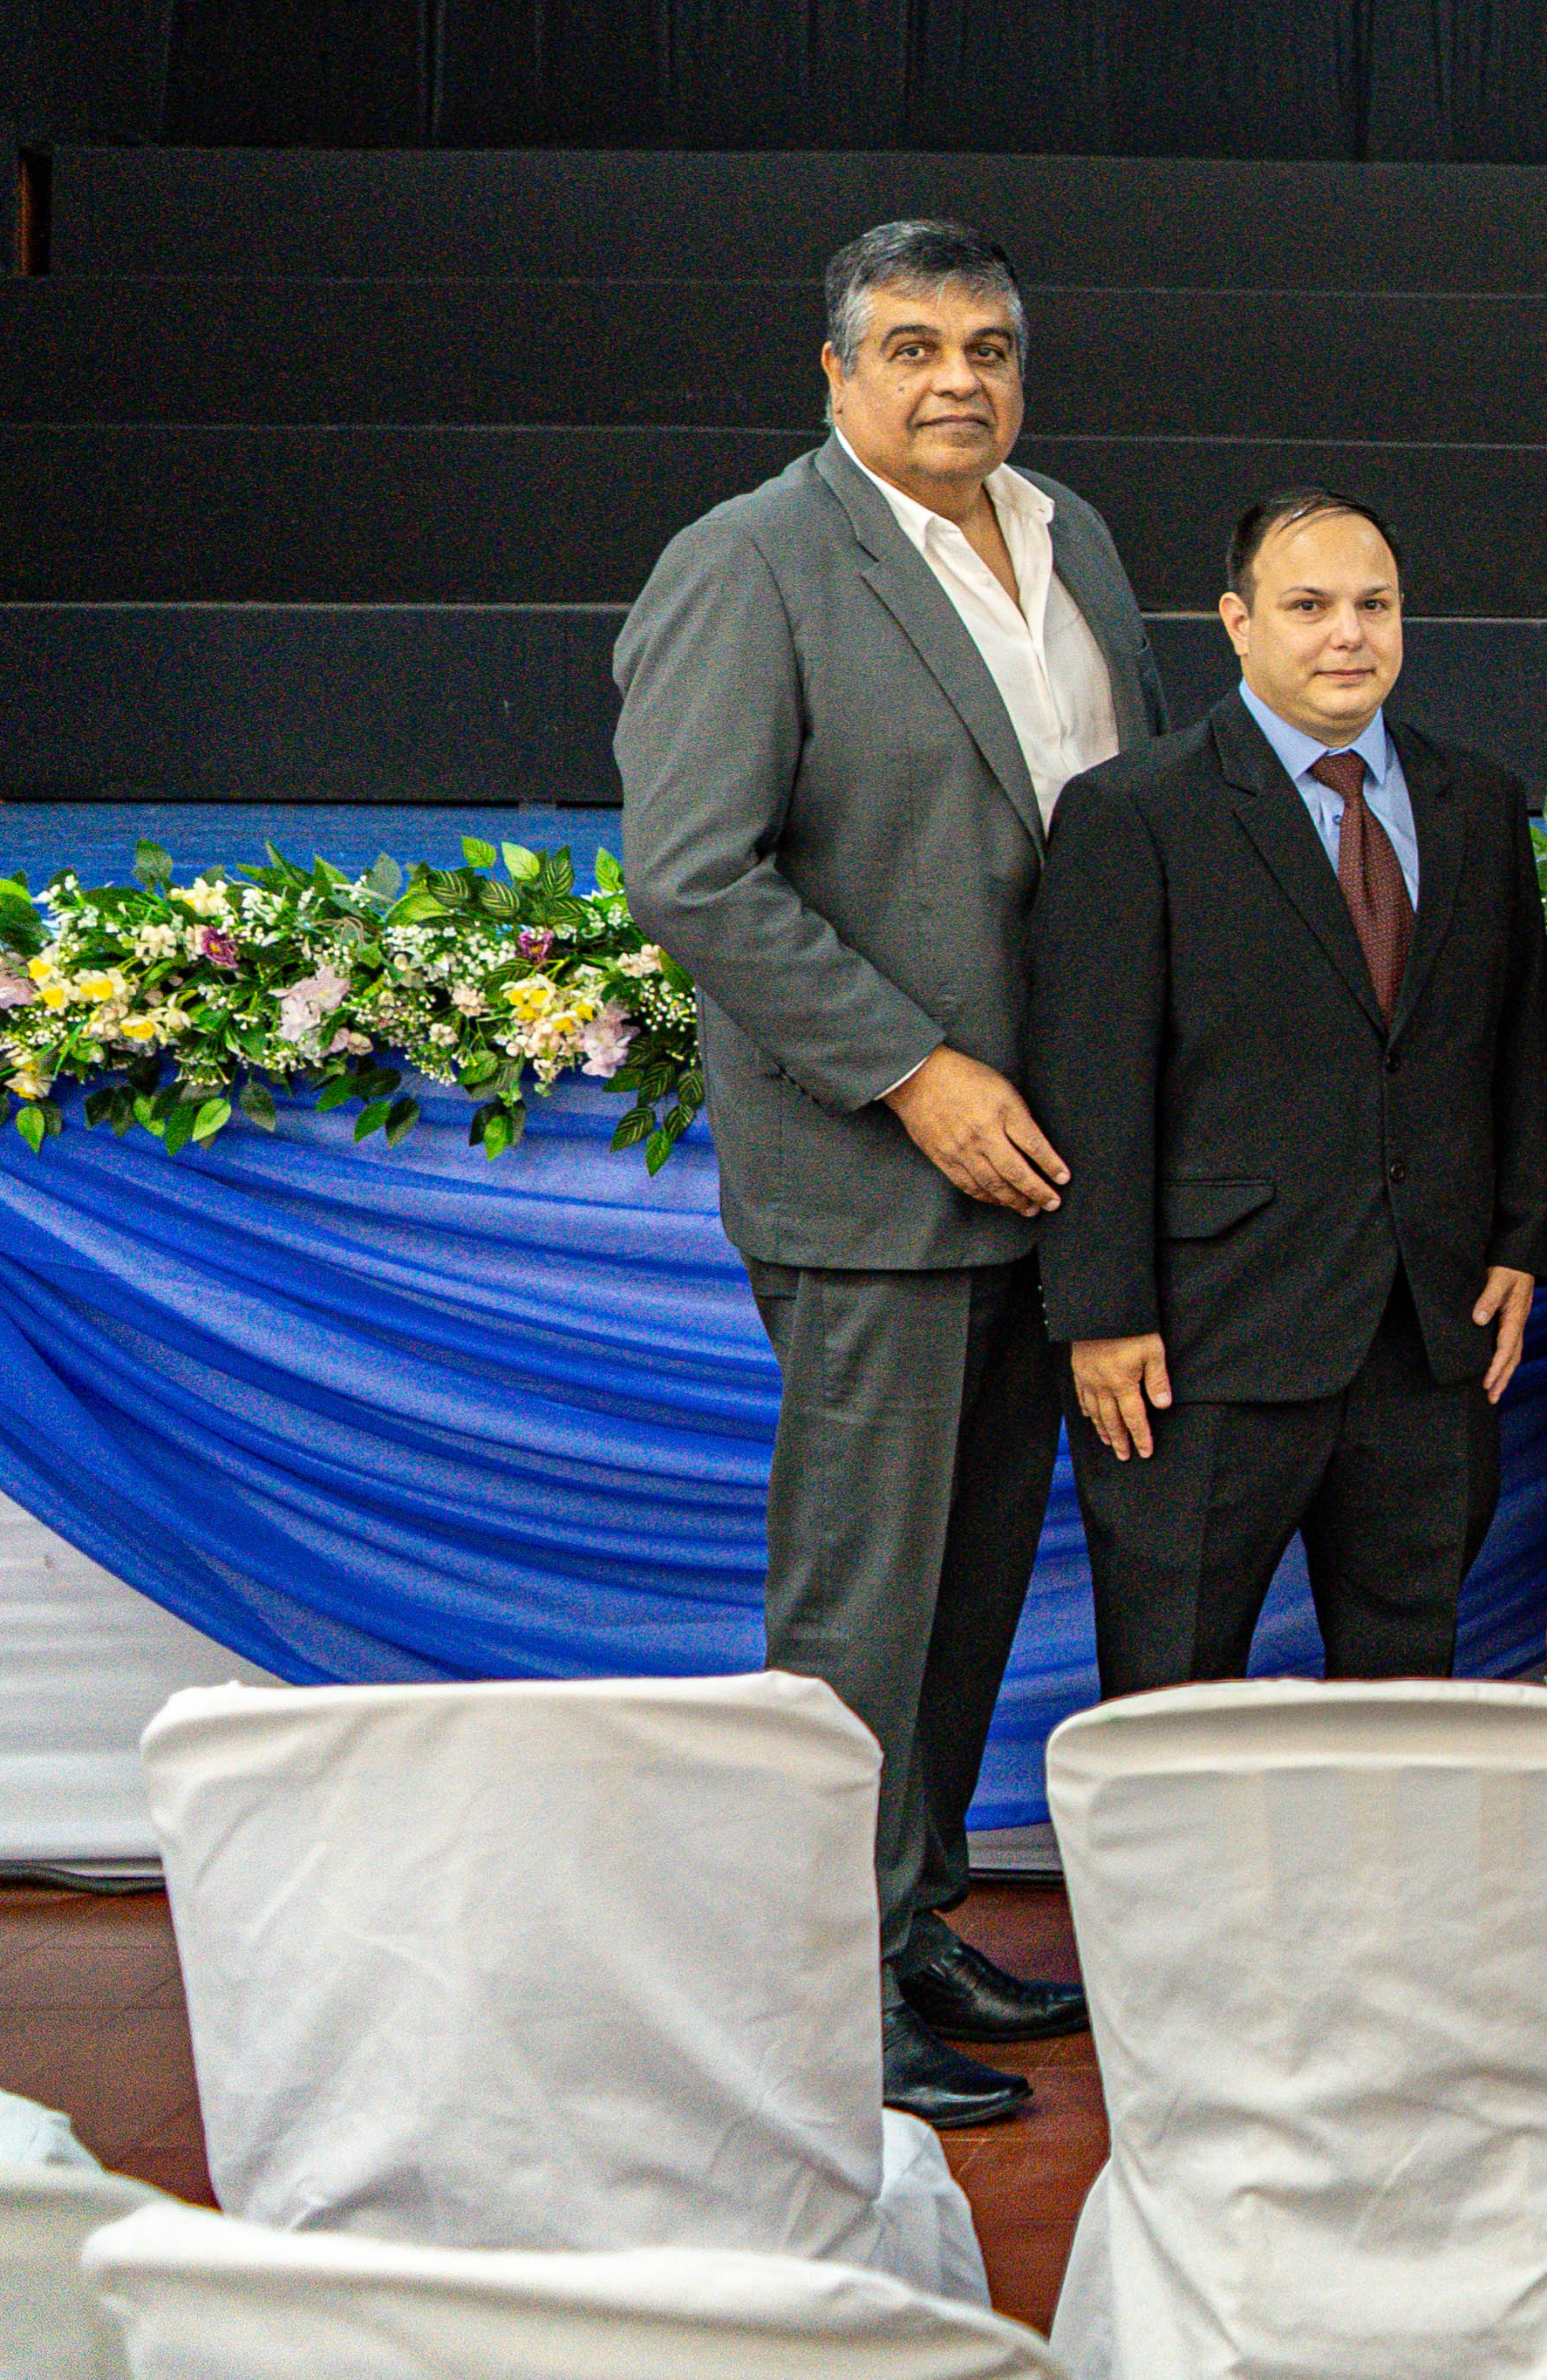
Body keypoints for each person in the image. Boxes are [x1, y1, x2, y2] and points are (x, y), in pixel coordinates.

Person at [611, 219, 1169, 2128]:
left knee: (967, 1589)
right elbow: (694, 871)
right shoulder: (750, 560)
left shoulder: (1071, 532)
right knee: (858, 1604)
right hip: (881, 1175)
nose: (962, 377)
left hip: (1054, 1172)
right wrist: (913, 1068)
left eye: (994, 344)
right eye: (916, 342)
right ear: (834, 370)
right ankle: (817, 1990)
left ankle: (914, 1914)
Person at [1026, 491, 1547, 1697]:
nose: (1348, 636)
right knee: (1172, 1691)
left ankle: (1379, 1900)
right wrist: (1101, 1314)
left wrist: (1523, 1239)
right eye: (1309, 606)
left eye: (1374, 606)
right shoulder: (1134, 813)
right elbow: (1091, 1084)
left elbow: (1513, 1040)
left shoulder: (1474, 801)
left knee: (1402, 1699)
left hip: (1428, 1339)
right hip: (1201, 1345)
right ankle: (1175, 1901)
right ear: (1237, 621)